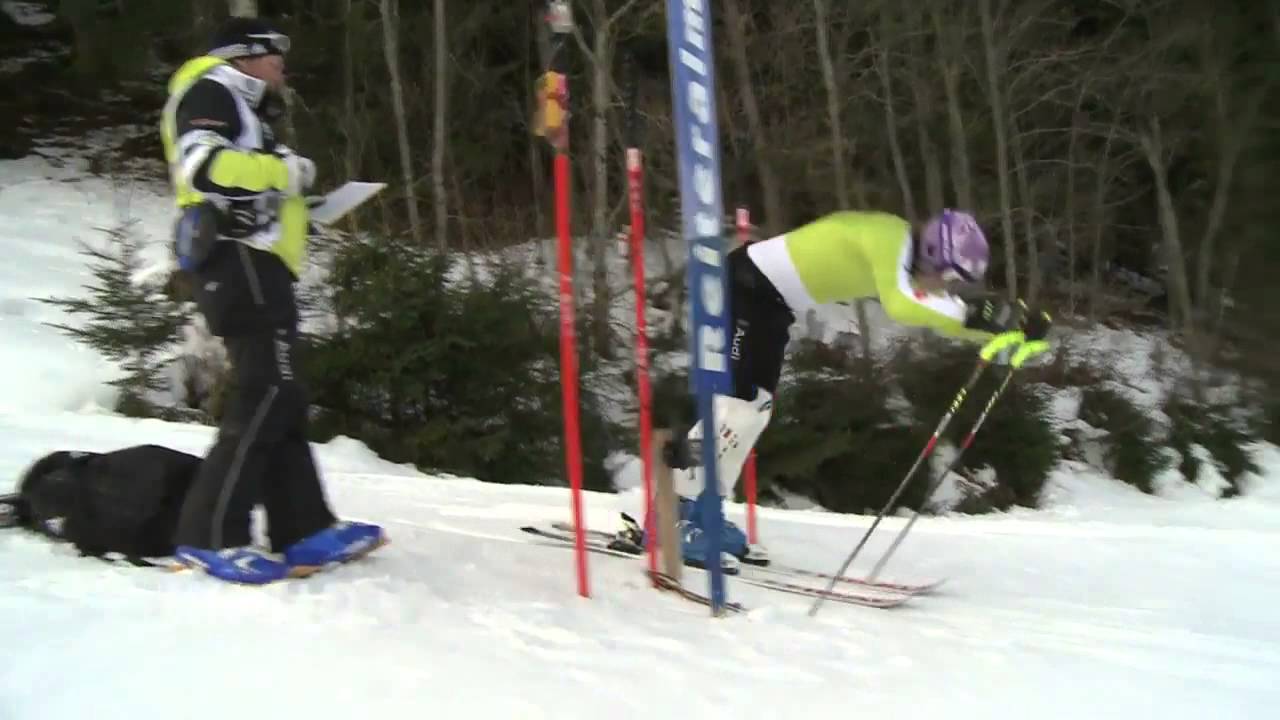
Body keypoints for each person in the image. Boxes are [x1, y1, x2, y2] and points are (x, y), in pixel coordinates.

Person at [612, 209, 1051, 570]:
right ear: (935, 254)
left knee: (755, 410)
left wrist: (1009, 332)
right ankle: (666, 518)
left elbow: (933, 309)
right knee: (736, 408)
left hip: (771, 303)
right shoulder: (889, 237)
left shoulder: (907, 264)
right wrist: (981, 317)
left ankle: (706, 510)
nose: (951, 289)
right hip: (743, 287)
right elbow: (903, 306)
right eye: (951, 278)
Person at [158, 17, 385, 584]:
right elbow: (203, 167)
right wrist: (287, 171)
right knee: (267, 390)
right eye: (273, 51)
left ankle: (303, 529)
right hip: (237, 262)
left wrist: (308, 207)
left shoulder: (246, 103)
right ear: (243, 55)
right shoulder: (213, 89)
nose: (283, 62)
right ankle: (209, 534)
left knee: (281, 392)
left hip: (257, 262)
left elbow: (249, 193)